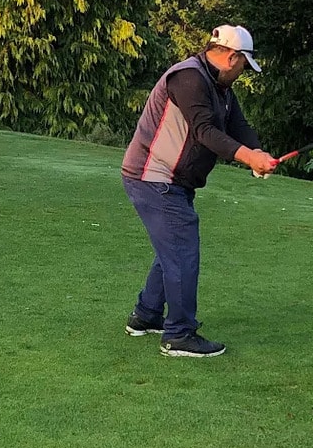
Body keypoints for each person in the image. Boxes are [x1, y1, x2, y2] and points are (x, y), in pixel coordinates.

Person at [120, 25, 279, 358]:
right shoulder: (189, 78)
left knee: (173, 248)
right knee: (182, 249)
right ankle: (178, 335)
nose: (242, 73)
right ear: (232, 57)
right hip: (153, 176)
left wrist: (258, 155)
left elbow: (238, 127)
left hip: (173, 180)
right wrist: (248, 156)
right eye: (244, 66)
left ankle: (146, 316)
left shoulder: (220, 88)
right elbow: (205, 131)